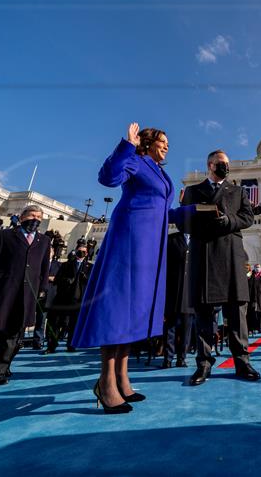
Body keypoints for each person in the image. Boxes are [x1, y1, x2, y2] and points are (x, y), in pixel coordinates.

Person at [72, 123, 175, 413]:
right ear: (148, 142)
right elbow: (108, 178)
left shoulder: (160, 172)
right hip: (129, 241)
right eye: (162, 141)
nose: (167, 146)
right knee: (117, 309)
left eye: (168, 142)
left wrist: (197, 214)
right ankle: (106, 383)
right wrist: (127, 145)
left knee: (133, 312)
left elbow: (165, 212)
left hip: (150, 247)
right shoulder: (135, 160)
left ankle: (122, 378)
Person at [179, 149, 260, 386]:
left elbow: (248, 218)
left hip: (231, 254)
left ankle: (242, 361)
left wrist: (228, 221)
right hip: (204, 252)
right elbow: (184, 222)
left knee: (237, 311)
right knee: (204, 311)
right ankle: (204, 363)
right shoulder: (193, 191)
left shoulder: (238, 191)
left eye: (227, 163)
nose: (225, 166)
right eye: (221, 163)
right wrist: (203, 220)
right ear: (210, 165)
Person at [0, 205, 50, 390]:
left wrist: (43, 287)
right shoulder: (3, 235)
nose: (35, 219)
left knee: (13, 336)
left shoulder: (44, 240)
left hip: (26, 294)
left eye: (39, 216)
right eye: (32, 215)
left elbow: (44, 267)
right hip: (1, 291)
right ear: (22, 217)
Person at [45, 246, 93, 353]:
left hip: (79, 300)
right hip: (63, 298)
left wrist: (85, 278)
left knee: (74, 324)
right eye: (79, 251)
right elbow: (57, 279)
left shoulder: (90, 267)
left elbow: (93, 283)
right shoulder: (66, 264)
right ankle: (51, 346)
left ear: (86, 253)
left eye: (83, 252)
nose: (81, 253)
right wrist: (66, 280)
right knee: (57, 323)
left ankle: (71, 345)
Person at [162, 230, 194, 369]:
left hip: (189, 293)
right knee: (170, 327)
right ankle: (167, 359)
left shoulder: (198, 239)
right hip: (173, 290)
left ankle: (182, 358)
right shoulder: (171, 239)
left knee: (186, 329)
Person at [248, 264, 261, 334]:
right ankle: (252, 328)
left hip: (260, 297)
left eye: (258, 267)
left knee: (260, 313)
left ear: (260, 268)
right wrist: (249, 274)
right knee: (252, 313)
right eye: (256, 267)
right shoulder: (251, 275)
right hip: (252, 297)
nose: (257, 269)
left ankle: (260, 328)